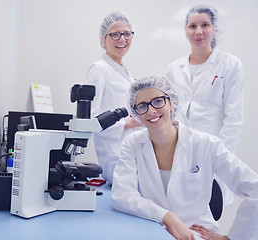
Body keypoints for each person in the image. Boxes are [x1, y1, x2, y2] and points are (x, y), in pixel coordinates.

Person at [111, 76, 258, 240]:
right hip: (152, 230)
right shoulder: (133, 143)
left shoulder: (206, 144)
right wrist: (167, 217)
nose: (151, 111)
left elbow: (254, 188)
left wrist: (233, 238)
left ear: (172, 102)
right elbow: (122, 194)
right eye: (142, 106)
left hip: (195, 234)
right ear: (135, 111)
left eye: (158, 101)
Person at [167, 4, 244, 206]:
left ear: (215, 28)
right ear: (186, 31)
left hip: (214, 154)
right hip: (179, 153)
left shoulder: (230, 64)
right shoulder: (174, 68)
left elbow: (234, 118)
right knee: (177, 216)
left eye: (205, 25)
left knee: (208, 219)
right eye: (192, 26)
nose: (198, 31)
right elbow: (169, 114)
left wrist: (219, 158)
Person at [85, 11, 141, 184]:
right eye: (115, 34)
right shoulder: (99, 69)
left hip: (131, 151)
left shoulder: (124, 71)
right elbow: (89, 119)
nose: (122, 39)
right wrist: (127, 123)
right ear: (103, 39)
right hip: (115, 157)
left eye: (126, 34)